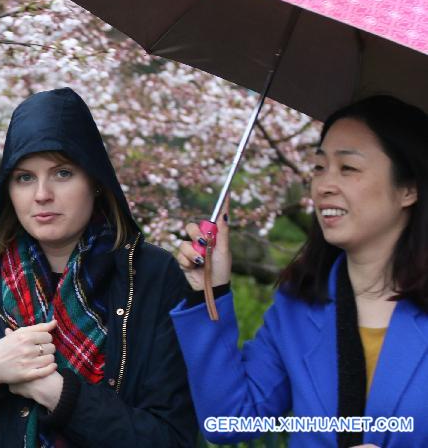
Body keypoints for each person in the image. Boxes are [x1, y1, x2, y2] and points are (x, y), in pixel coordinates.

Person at [0, 87, 197, 447]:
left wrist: (60, 394)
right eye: (24, 177)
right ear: (8, 191)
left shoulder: (152, 275)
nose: (41, 194)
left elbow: (172, 438)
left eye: (62, 173)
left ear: (94, 181)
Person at [171, 95, 428, 448]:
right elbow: (229, 420)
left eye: (348, 168)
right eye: (319, 168)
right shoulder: (300, 305)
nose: (324, 186)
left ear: (409, 188)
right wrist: (208, 291)